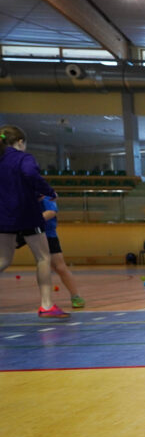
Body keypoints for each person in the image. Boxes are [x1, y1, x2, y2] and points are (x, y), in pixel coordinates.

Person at [0, 125, 68, 318]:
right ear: (20, 142)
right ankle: (46, 305)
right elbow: (30, 174)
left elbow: (11, 186)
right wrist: (48, 191)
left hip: (3, 215)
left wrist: (34, 193)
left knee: (4, 260)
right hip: (26, 214)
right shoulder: (24, 158)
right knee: (43, 257)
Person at [17, 195, 85, 308]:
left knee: (59, 267)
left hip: (46, 233)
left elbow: (51, 212)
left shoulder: (45, 195)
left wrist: (32, 221)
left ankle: (75, 296)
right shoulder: (20, 194)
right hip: (24, 231)